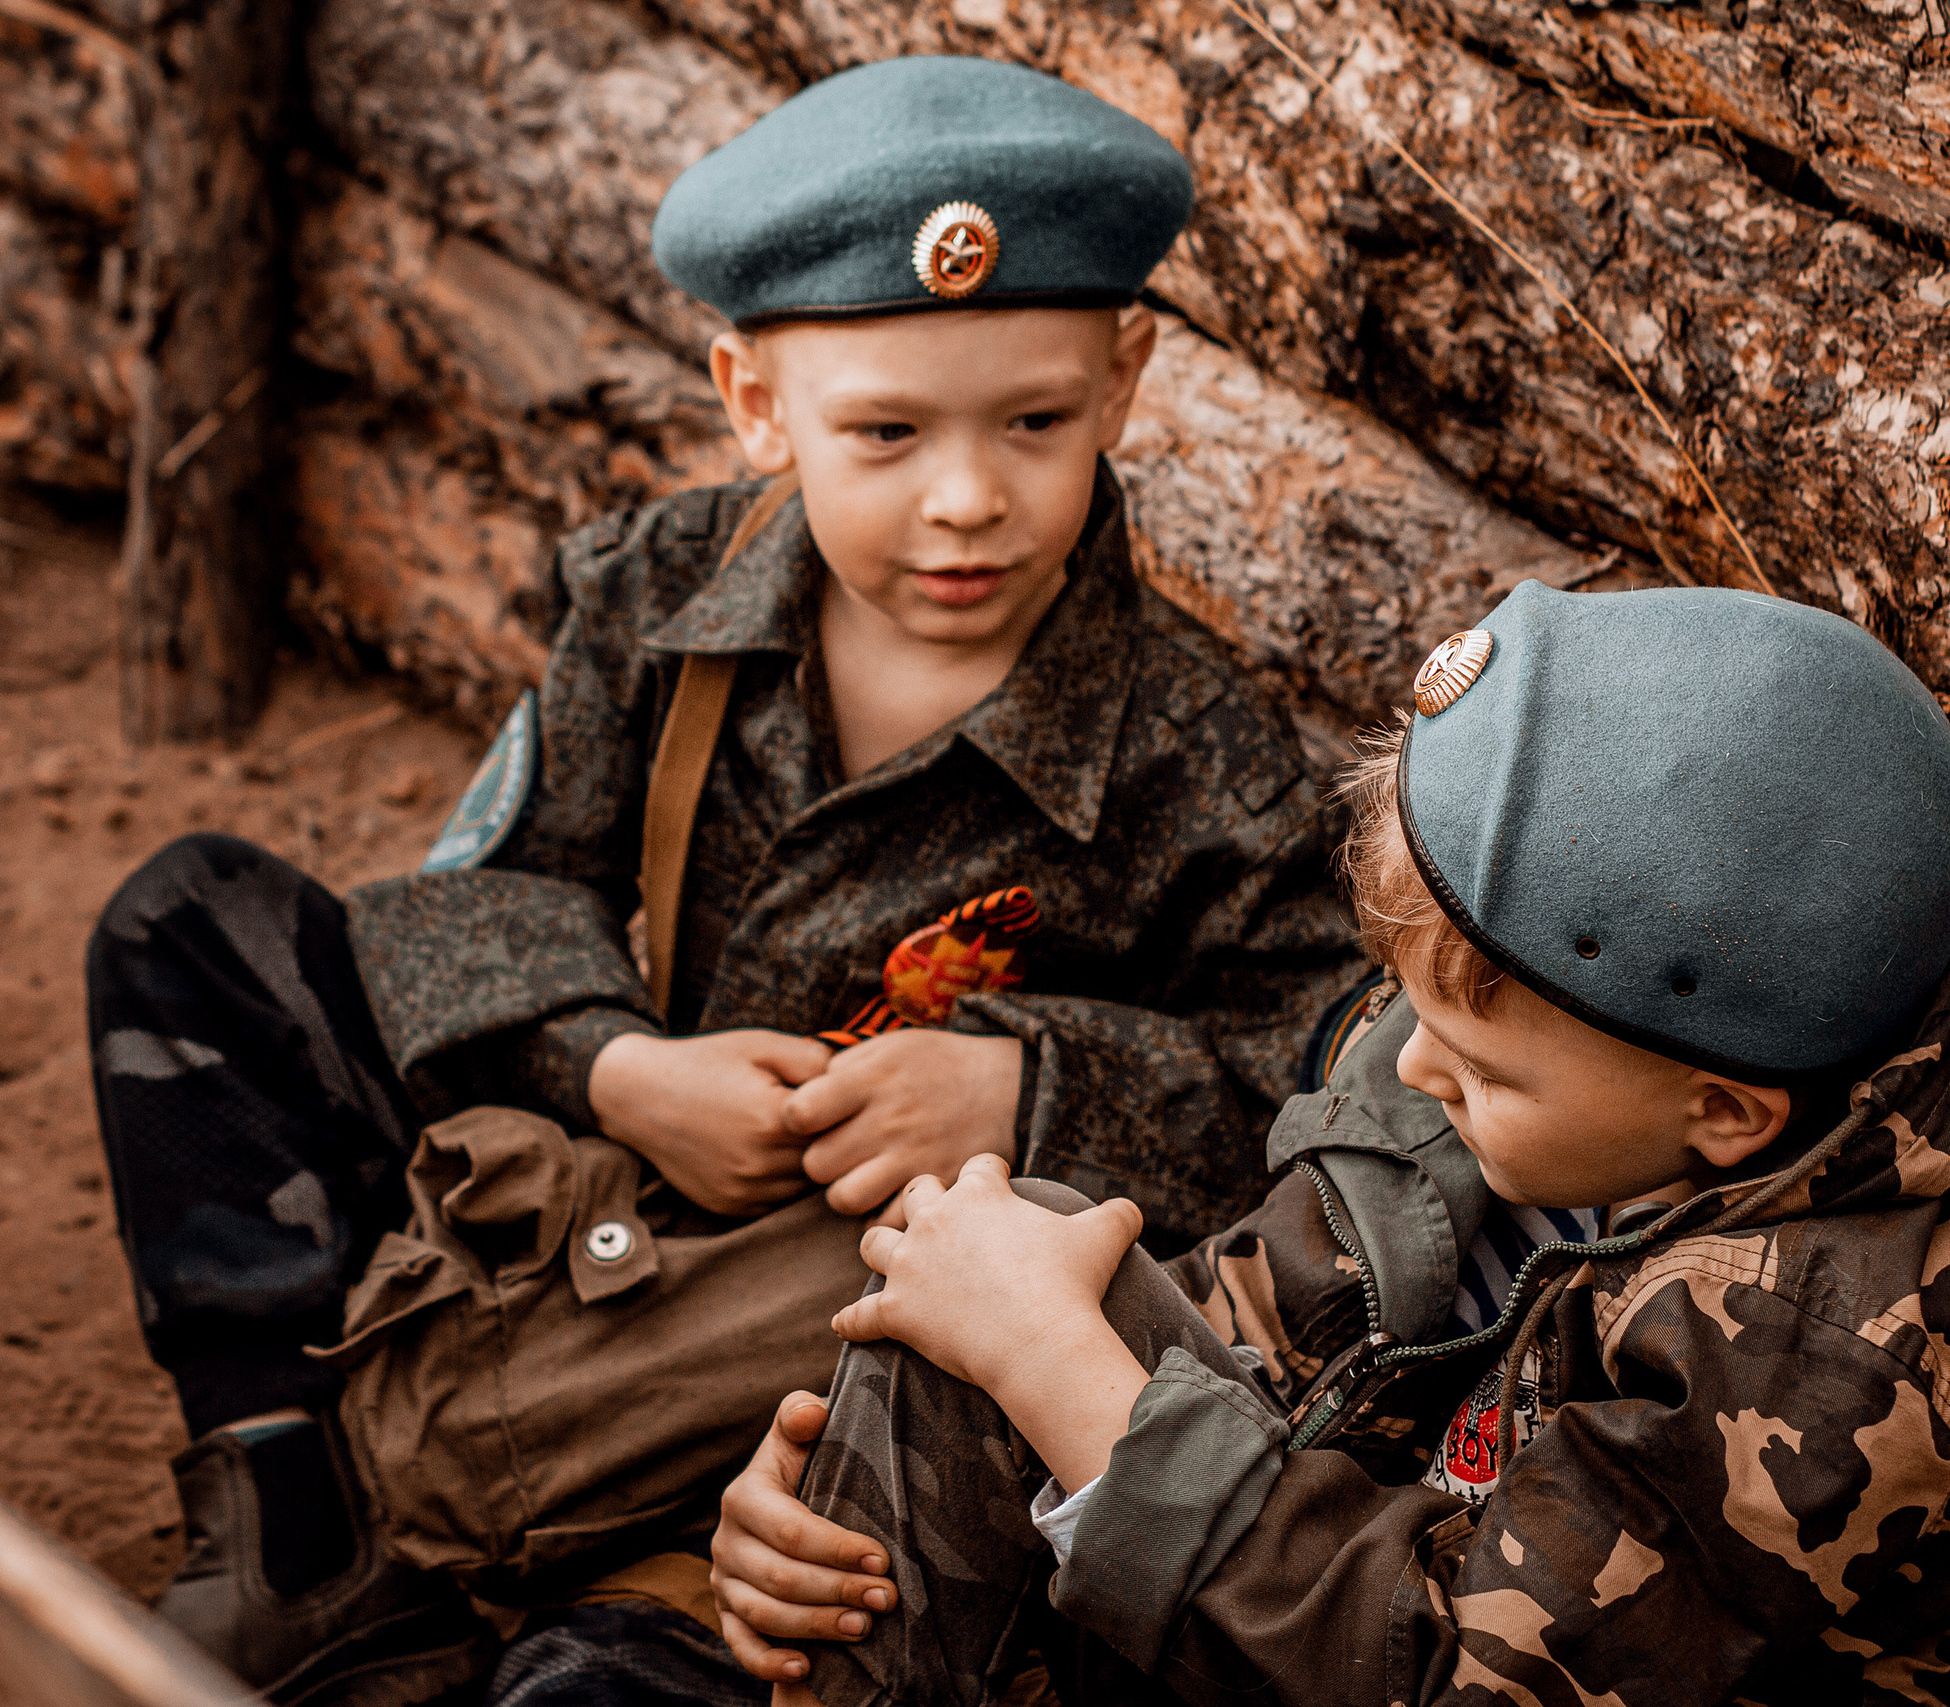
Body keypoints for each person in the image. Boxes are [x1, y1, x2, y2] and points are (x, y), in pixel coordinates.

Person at [83, 54, 1370, 1707]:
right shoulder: (667, 601)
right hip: (591, 1225)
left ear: (1124, 381)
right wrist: (618, 1063)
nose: (966, 498)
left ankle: (584, 1618)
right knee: (193, 924)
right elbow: (479, 891)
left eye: (1034, 421)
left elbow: (1324, 1083)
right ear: (757, 403)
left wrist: (1037, 1091)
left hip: (825, 1419)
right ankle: (291, 1521)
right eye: (886, 433)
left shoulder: (1195, 750)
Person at [709, 582, 1950, 1706]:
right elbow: (1247, 1340)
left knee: (1033, 1338)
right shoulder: (1519, 1072)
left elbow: (1456, 1680)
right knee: (1003, 1261)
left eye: (1483, 1067)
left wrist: (1059, 1375)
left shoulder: (1846, 1358)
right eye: (1409, 1010)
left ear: (1728, 1118)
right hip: (1308, 1604)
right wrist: (834, 1525)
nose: (1417, 1066)